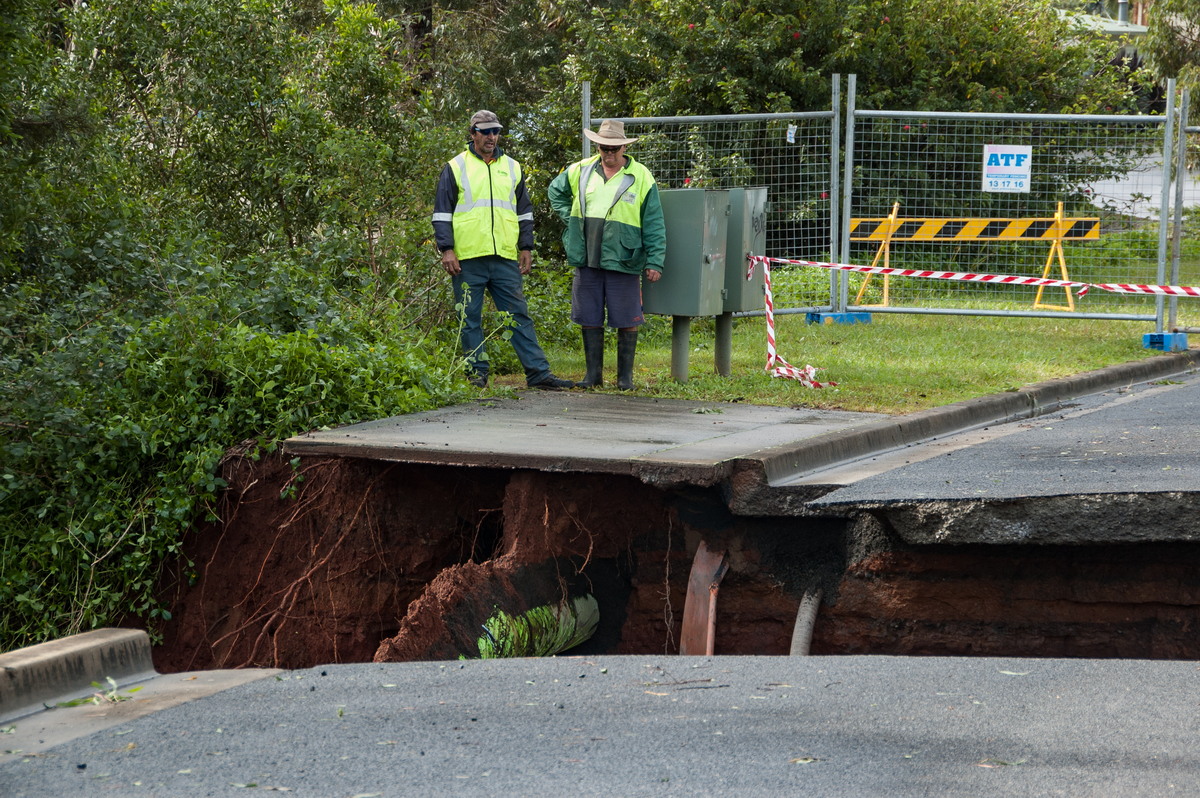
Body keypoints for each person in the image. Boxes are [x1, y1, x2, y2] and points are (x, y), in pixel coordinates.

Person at [432, 110, 574, 390]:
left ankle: (538, 374)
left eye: (495, 131)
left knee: (517, 315)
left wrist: (526, 246)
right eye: (485, 132)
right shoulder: (455, 167)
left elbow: (524, 212)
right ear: (472, 133)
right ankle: (477, 375)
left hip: (505, 258)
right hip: (467, 258)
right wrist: (447, 249)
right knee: (469, 317)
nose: (491, 136)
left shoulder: (512, 167)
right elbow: (441, 213)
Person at [548, 119, 666, 391]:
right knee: (588, 315)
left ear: (624, 146)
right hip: (586, 255)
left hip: (623, 256)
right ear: (597, 146)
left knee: (627, 317)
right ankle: (593, 376)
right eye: (604, 147)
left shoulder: (641, 175)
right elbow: (555, 191)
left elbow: (654, 221)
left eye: (614, 148)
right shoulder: (580, 169)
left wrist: (655, 260)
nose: (609, 153)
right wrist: (572, 220)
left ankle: (625, 379)